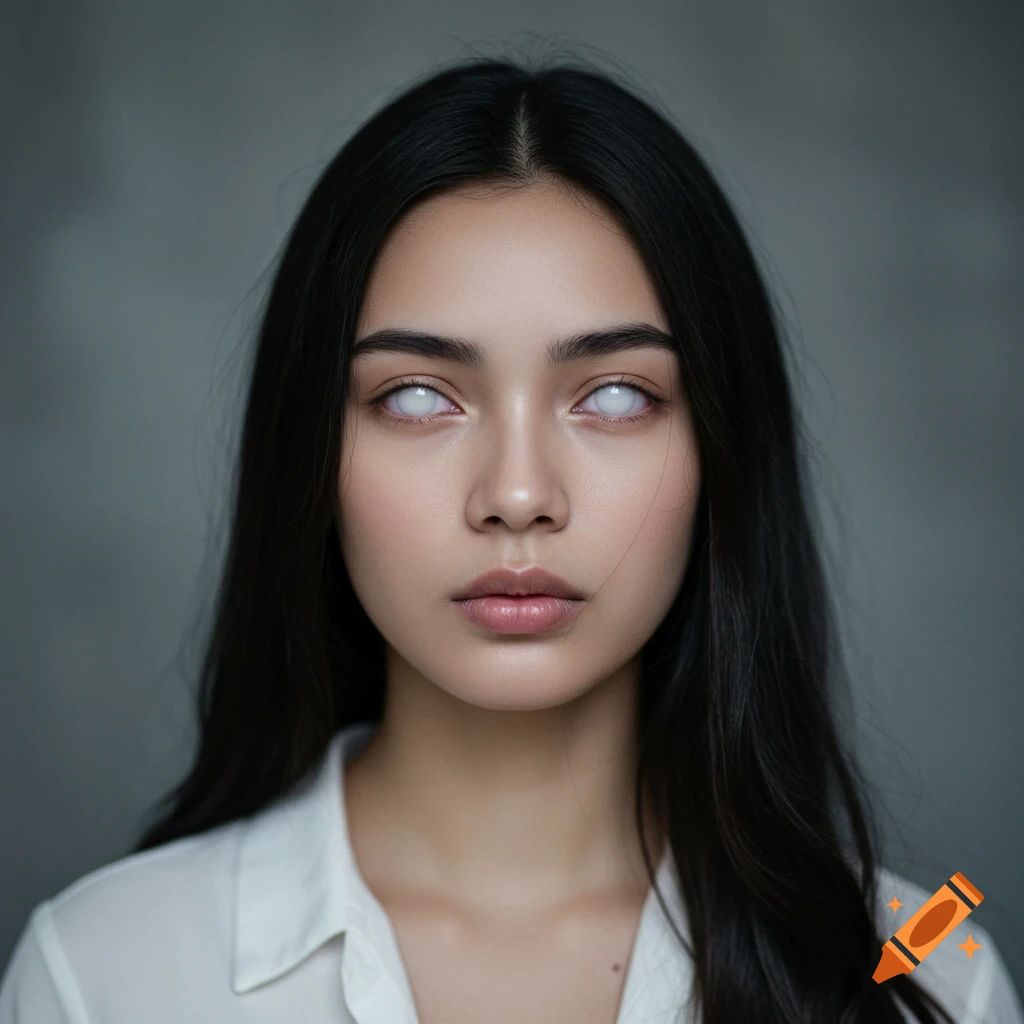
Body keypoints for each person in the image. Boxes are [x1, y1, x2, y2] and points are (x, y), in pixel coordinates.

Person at [2, 48, 1021, 1024]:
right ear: (309, 452)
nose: (519, 493)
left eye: (616, 394)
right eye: (415, 396)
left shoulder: (924, 972)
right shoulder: (101, 970)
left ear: (724, 449)